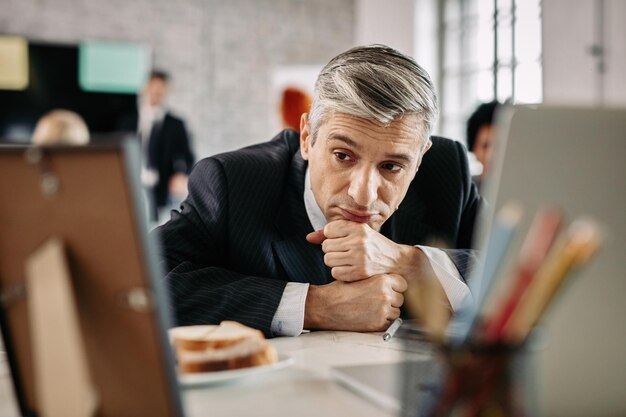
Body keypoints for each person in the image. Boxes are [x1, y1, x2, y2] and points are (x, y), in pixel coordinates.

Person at [157, 45, 480, 337]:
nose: (363, 195)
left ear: (420, 158)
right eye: (343, 156)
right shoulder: (233, 180)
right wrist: (317, 305)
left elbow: (522, 271)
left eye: (391, 167)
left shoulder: (447, 173)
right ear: (307, 137)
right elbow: (139, 284)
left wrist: (408, 262)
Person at [119, 70, 195, 222]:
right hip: (130, 182)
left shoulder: (176, 124)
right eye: (153, 88)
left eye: (161, 89)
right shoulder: (127, 121)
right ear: (145, 88)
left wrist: (182, 175)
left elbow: (188, 156)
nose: (156, 93)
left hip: (159, 188)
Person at [466, 101, 501, 190]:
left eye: (498, 145)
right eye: (485, 146)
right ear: (474, 149)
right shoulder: (466, 191)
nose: (492, 154)